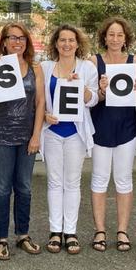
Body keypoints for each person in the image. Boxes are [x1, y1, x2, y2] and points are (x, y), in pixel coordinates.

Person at [0, 22, 45, 260]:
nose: (17, 42)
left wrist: (36, 135)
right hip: (1, 136)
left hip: (26, 136)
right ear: (4, 42)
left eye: (22, 38)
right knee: (1, 189)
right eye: (12, 38)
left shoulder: (34, 68)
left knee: (25, 188)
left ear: (26, 42)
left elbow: (40, 103)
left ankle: (23, 234)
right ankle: (1, 238)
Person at [40, 24, 98, 255]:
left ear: (78, 43)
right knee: (54, 182)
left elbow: (93, 99)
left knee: (72, 183)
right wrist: (45, 115)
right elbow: (39, 100)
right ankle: (56, 231)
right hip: (52, 132)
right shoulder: (45, 67)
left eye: (71, 40)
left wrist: (81, 87)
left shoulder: (87, 67)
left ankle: (70, 232)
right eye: (62, 40)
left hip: (76, 133)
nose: (66, 44)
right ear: (56, 43)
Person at [88, 16, 136, 252]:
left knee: (123, 179)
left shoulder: (134, 60)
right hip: (101, 124)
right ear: (104, 36)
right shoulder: (93, 61)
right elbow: (92, 97)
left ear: (125, 37)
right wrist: (100, 89)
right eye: (111, 34)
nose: (115, 38)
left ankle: (122, 231)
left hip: (126, 126)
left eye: (120, 34)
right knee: (99, 178)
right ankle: (100, 230)